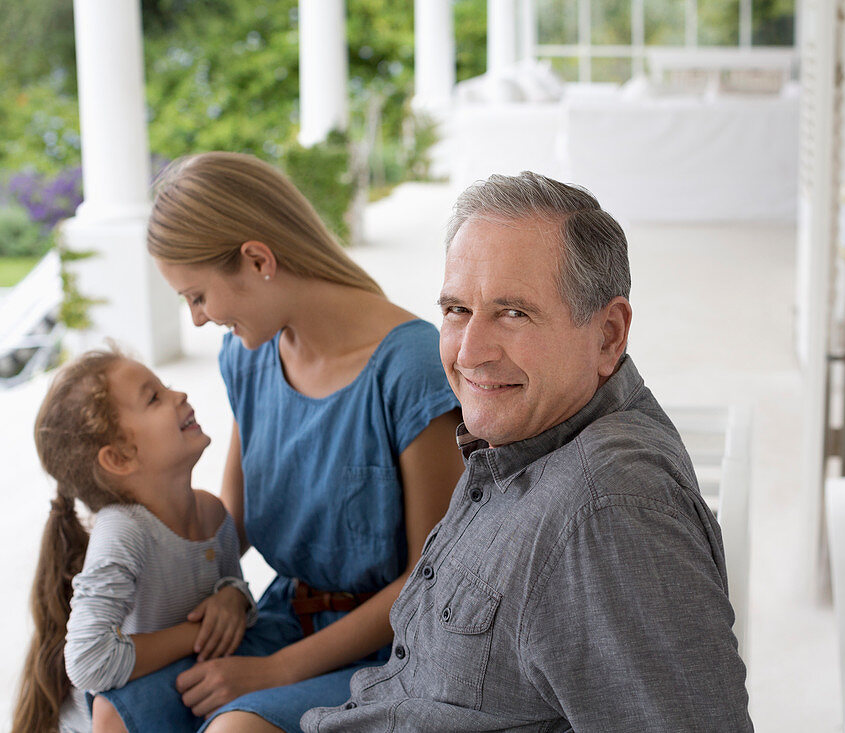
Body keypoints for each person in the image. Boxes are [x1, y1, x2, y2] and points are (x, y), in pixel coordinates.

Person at [302, 171, 753, 731]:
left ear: (609, 334)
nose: (470, 353)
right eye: (456, 310)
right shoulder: (521, 436)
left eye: (514, 313)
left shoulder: (609, 512)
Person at [96, 152, 466, 732]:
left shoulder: (413, 369)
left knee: (233, 728)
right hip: (281, 618)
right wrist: (224, 592)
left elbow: (429, 580)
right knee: (114, 711)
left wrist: (274, 673)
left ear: (257, 259)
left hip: (388, 654)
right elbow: (233, 527)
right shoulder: (250, 357)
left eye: (197, 295)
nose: (197, 319)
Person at [13, 348, 255, 733]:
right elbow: (89, 661)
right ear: (120, 457)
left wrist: (233, 597)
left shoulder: (212, 514)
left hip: (174, 694)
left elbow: (232, 586)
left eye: (167, 386)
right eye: (154, 397)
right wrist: (198, 634)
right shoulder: (124, 531)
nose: (180, 396)